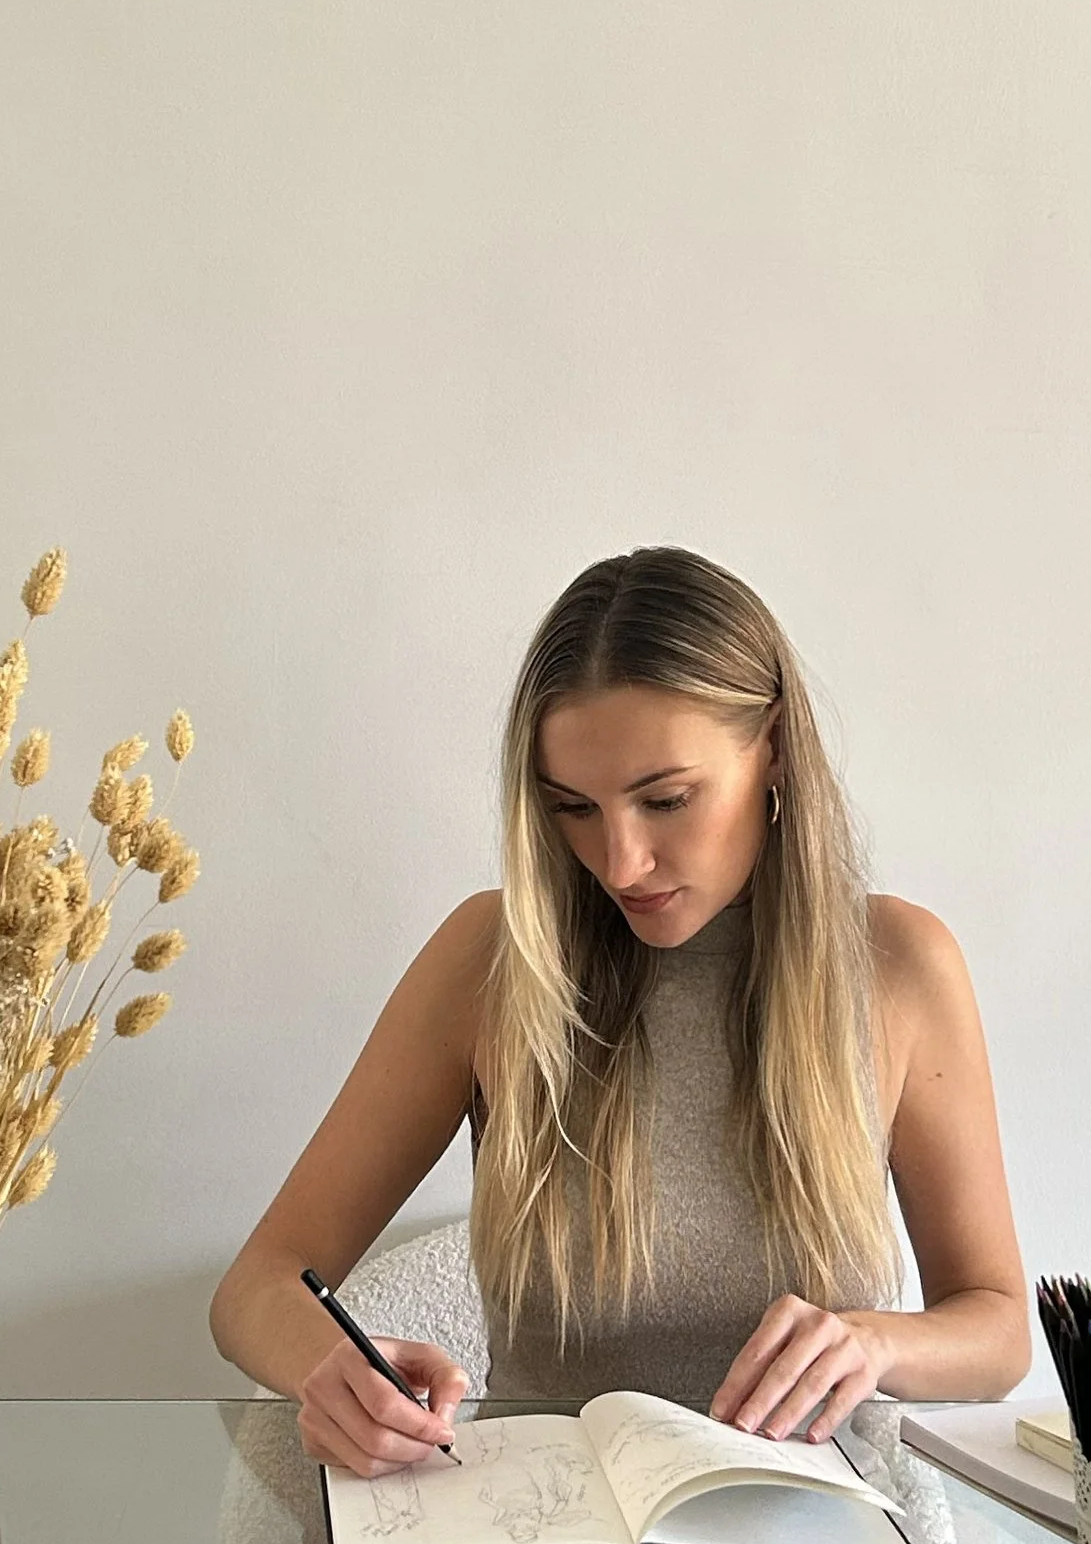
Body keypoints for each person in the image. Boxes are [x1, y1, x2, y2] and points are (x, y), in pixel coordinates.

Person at [209, 544, 1030, 1461]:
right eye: (573, 808)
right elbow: (256, 1289)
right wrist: (335, 1369)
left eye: (667, 801)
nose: (620, 863)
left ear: (776, 753)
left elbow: (997, 1332)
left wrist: (876, 1342)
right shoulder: (494, 962)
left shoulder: (898, 966)